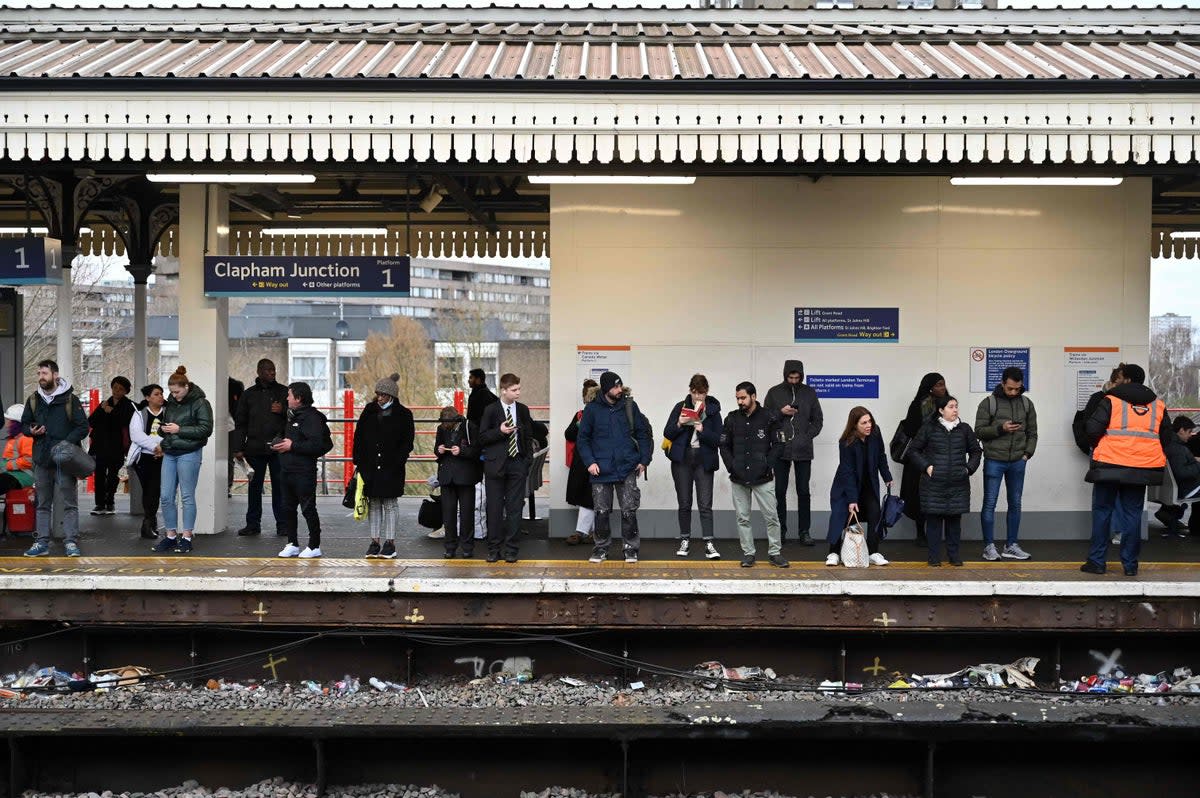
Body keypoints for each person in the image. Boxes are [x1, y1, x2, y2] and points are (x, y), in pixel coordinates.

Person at [1080, 364, 1174, 576]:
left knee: (1103, 511)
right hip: (1141, 469)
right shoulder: (1158, 406)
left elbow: (1092, 430)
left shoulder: (1111, 401)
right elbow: (1167, 438)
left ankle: (1096, 562)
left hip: (1109, 465)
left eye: (1121, 378)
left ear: (1129, 380)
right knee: (1133, 514)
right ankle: (1130, 565)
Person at [577, 371, 652, 564]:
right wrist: (590, 462)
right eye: (615, 387)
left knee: (629, 509)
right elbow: (582, 439)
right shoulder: (592, 410)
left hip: (627, 467)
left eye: (620, 386)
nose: (619, 390)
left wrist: (644, 459)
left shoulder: (629, 406)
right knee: (601, 511)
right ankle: (601, 548)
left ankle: (631, 549)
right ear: (606, 388)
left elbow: (643, 433)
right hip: (600, 469)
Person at [21, 359, 89, 557]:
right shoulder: (34, 399)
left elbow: (83, 427)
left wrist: (65, 443)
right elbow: (24, 425)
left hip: (64, 460)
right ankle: (41, 543)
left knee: (69, 503)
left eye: (44, 373)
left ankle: (70, 542)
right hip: (42, 460)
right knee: (42, 503)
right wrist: (32, 431)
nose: (41, 377)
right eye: (39, 374)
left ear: (55, 375)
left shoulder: (70, 400)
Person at [907, 393, 982, 567]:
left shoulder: (964, 429)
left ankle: (954, 556)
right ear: (941, 410)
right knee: (933, 522)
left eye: (956, 406)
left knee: (954, 523)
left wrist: (968, 468)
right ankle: (934, 558)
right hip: (933, 484)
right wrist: (927, 467)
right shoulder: (929, 428)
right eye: (950, 406)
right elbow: (913, 450)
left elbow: (976, 451)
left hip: (958, 483)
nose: (955, 410)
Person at [479, 373, 547, 563]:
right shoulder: (491, 410)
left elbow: (528, 437)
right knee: (493, 508)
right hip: (495, 465)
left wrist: (526, 461)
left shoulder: (523, 410)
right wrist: (499, 432)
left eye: (519, 389)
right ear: (503, 391)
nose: (518, 392)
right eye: (514, 390)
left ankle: (511, 549)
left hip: (517, 463)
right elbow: (482, 437)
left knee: (515, 507)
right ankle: (493, 549)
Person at [719, 381, 788, 569]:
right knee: (743, 518)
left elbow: (779, 444)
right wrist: (731, 466)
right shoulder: (732, 418)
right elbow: (723, 445)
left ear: (753, 397)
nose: (740, 401)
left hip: (763, 477)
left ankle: (775, 553)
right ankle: (748, 554)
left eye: (743, 398)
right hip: (738, 477)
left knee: (772, 516)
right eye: (737, 398)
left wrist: (768, 464)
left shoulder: (769, 417)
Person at [974, 366, 1038, 562]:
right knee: (990, 503)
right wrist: (1001, 429)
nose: (1013, 392)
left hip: (1018, 461)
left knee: (1015, 503)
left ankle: (1011, 545)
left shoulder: (1027, 404)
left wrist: (1027, 454)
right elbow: (978, 431)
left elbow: (1032, 433)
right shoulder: (989, 403)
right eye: (1010, 388)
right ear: (1002, 383)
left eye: (1017, 389)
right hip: (994, 459)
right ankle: (989, 547)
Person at [151, 367, 214, 555]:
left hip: (190, 452)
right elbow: (167, 426)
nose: (174, 395)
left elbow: (206, 429)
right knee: (166, 495)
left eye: (177, 391)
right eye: (172, 392)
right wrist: (164, 430)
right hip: (170, 451)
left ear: (187, 387)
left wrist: (179, 430)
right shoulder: (171, 402)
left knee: (186, 496)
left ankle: (186, 536)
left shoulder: (201, 403)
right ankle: (170, 535)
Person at [353, 373, 415, 559]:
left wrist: (397, 462)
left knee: (390, 504)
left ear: (392, 396)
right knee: (374, 504)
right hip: (370, 467)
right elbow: (358, 438)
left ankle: (390, 543)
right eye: (378, 394)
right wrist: (360, 462)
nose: (379, 398)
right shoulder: (369, 411)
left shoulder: (404, 414)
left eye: (383, 395)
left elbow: (407, 442)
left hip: (392, 468)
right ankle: (374, 542)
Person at [663, 373, 723, 560]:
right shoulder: (680, 407)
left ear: (707, 393)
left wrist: (702, 429)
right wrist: (680, 423)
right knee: (684, 503)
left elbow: (718, 439)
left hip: (704, 460)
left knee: (705, 504)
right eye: (696, 393)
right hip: (682, 459)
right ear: (690, 391)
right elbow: (668, 433)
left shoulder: (713, 411)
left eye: (702, 393)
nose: (698, 397)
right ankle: (685, 539)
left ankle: (709, 543)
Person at [763, 360, 822, 546]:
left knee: (803, 491)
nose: (794, 381)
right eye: (790, 378)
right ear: (785, 375)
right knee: (779, 491)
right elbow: (765, 420)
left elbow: (818, 420)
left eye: (797, 378)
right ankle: (780, 531)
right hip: (780, 449)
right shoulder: (774, 393)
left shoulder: (810, 393)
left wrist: (806, 436)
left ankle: (804, 531)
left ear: (802, 376)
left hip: (803, 450)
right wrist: (781, 412)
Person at [826, 406, 894, 567]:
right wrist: (852, 499)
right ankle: (834, 553)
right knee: (841, 518)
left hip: (868, 484)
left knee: (874, 516)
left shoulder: (875, 434)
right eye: (864, 423)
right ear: (854, 425)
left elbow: (881, 456)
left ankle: (873, 553)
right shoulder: (846, 442)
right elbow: (847, 471)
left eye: (869, 421)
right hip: (846, 487)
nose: (868, 425)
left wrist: (887, 476)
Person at [274, 382, 333, 559]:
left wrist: (293, 446)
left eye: (289, 395)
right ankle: (292, 543)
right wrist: (278, 443)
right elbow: (289, 438)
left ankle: (314, 545)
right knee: (288, 508)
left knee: (308, 508)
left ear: (299, 398)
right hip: (287, 469)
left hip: (304, 472)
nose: (287, 398)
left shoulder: (313, 418)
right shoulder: (291, 416)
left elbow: (319, 445)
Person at [233, 358, 289, 536]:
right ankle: (252, 524)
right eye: (268, 370)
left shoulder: (284, 392)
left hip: (278, 447)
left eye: (273, 370)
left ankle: (283, 525)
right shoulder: (248, 394)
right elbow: (240, 423)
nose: (272, 373)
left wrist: (283, 410)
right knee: (254, 487)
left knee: (280, 487)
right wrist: (238, 448)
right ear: (259, 372)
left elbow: (296, 416)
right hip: (255, 448)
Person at [900, 372, 948, 547]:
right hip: (919, 458)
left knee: (938, 496)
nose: (943, 388)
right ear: (930, 387)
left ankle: (935, 533)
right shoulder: (917, 405)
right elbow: (911, 430)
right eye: (939, 385)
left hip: (941, 456)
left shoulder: (948, 404)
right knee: (918, 496)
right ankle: (920, 533)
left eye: (943, 384)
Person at [435, 405, 481, 558]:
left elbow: (477, 450)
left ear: (455, 420)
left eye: (447, 424)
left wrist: (462, 452)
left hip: (466, 477)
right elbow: (436, 448)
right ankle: (450, 547)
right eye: (443, 423)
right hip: (447, 476)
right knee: (448, 515)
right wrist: (439, 450)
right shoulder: (441, 429)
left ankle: (467, 547)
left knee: (467, 514)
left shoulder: (470, 427)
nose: (444, 426)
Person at [87, 375, 135, 515]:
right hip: (101, 445)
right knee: (100, 474)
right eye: (115, 388)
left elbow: (126, 423)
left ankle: (110, 502)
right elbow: (91, 421)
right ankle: (100, 504)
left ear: (126, 391)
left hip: (117, 446)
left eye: (121, 389)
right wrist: (103, 410)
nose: (116, 391)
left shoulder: (129, 405)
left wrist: (112, 412)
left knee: (113, 475)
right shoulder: (104, 403)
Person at [126, 384, 166, 540]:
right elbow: (135, 434)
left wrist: (162, 448)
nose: (160, 396)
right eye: (156, 394)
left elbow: (172, 432)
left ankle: (149, 524)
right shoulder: (140, 414)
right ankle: (149, 523)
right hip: (144, 458)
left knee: (154, 491)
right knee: (149, 490)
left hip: (163, 456)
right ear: (148, 398)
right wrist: (155, 446)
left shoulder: (168, 413)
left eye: (161, 393)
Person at [563, 379, 599, 546]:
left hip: (597, 459)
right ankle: (590, 532)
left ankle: (586, 531)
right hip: (581, 460)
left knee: (593, 496)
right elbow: (569, 434)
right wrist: (579, 424)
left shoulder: (604, 414)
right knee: (587, 496)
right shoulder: (580, 415)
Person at [1148, 416, 1197, 536]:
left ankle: (1167, 513)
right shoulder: (1178, 449)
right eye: (1189, 432)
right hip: (1186, 489)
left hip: (1174, 488)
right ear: (1181, 430)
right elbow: (1182, 473)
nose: (1191, 435)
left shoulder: (1168, 444)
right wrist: (1197, 464)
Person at [0, 404, 34, 491]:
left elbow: (30, 459)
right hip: (12, 474)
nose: (6, 422)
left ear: (16, 423)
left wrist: (7, 465)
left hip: (23, 475)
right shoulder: (16, 437)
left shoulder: (26, 438)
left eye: (8, 419)